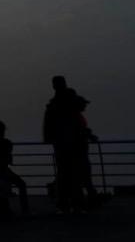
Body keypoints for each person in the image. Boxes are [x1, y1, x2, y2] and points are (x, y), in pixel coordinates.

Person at [43, 76, 90, 212]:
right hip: (72, 143)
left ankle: (65, 201)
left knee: (65, 173)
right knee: (73, 173)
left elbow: (49, 125)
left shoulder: (53, 105)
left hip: (63, 143)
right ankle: (76, 201)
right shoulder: (66, 105)